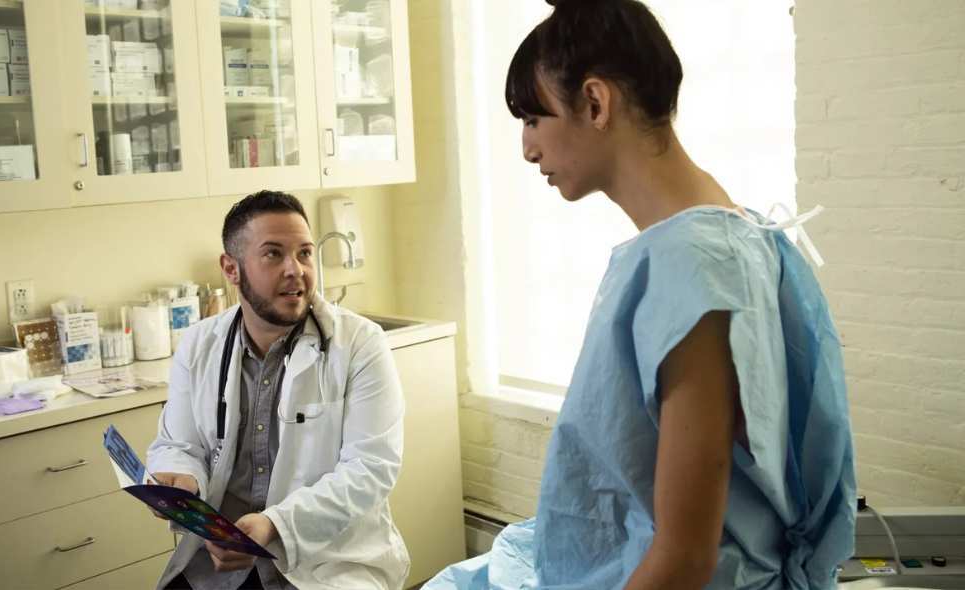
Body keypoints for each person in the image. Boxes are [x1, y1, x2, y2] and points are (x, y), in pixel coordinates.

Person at [426, 1, 856, 589]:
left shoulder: (692, 267)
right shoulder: (733, 232)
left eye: (533, 119)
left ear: (596, 103)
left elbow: (682, 560)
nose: (527, 149)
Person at [147, 190, 410, 590]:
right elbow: (178, 444)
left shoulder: (359, 344)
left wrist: (275, 525)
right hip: (219, 564)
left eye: (304, 253)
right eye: (273, 254)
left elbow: (370, 470)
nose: (296, 269)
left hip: (325, 562)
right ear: (231, 269)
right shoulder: (199, 344)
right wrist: (182, 480)